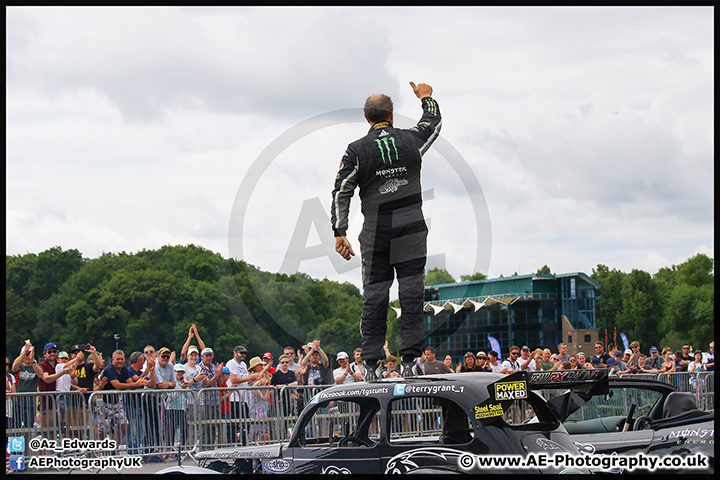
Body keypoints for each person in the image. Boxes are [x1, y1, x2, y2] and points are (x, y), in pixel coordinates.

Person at [331, 81, 442, 380]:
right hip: (410, 230)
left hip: (376, 233)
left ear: (367, 118)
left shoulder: (356, 149)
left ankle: (370, 366)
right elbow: (432, 124)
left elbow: (342, 190)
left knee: (375, 296)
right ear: (391, 114)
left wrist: (339, 231)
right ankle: (408, 361)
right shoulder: (409, 141)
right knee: (411, 293)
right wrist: (426, 98)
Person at [98, 350, 148, 447]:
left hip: (117, 402)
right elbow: (117, 385)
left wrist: (137, 383)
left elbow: (130, 384)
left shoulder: (124, 369)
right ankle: (101, 450)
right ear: (113, 360)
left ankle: (114, 446)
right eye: (118, 359)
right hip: (104, 403)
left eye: (121, 359)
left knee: (125, 424)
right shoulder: (109, 370)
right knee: (104, 430)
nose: (120, 361)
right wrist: (135, 384)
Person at [11, 342, 41, 433]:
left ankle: (28, 445)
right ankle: (16, 445)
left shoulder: (36, 367)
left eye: (30, 354)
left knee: (29, 428)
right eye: (26, 355)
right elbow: (14, 368)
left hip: (30, 403)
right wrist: (24, 352)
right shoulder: (20, 366)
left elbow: (40, 375)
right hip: (18, 403)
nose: (28, 357)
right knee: (15, 427)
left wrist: (33, 360)